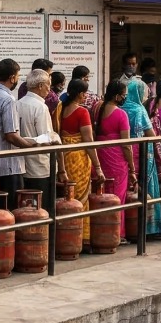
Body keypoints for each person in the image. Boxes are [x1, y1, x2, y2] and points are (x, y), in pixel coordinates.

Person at [56, 79, 103, 245]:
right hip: (79, 159)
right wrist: (98, 167)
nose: (85, 96)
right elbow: (89, 141)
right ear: (80, 94)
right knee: (80, 200)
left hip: (64, 159)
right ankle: (81, 239)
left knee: (67, 198)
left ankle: (66, 237)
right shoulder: (82, 113)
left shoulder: (60, 110)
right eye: (84, 93)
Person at [0, 58, 31, 209]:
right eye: (17, 76)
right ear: (12, 78)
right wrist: (30, 146)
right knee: (11, 211)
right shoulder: (8, 99)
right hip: (9, 167)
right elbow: (11, 135)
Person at [94, 80, 134, 241]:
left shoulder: (96, 108)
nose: (125, 97)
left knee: (100, 195)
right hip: (117, 161)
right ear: (117, 96)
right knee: (118, 197)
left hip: (100, 157)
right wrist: (132, 167)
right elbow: (126, 145)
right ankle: (117, 233)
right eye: (124, 95)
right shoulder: (120, 114)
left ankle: (99, 232)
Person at [122, 79, 161, 237]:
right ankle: (147, 228)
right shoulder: (139, 110)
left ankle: (127, 227)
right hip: (142, 151)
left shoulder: (120, 108)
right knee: (144, 184)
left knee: (128, 187)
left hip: (124, 151)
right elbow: (150, 134)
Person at [17, 69, 60, 196]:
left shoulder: (18, 103)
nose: (49, 89)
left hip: (23, 165)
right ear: (40, 85)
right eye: (48, 85)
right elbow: (46, 138)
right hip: (40, 167)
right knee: (43, 208)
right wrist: (55, 137)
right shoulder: (40, 107)